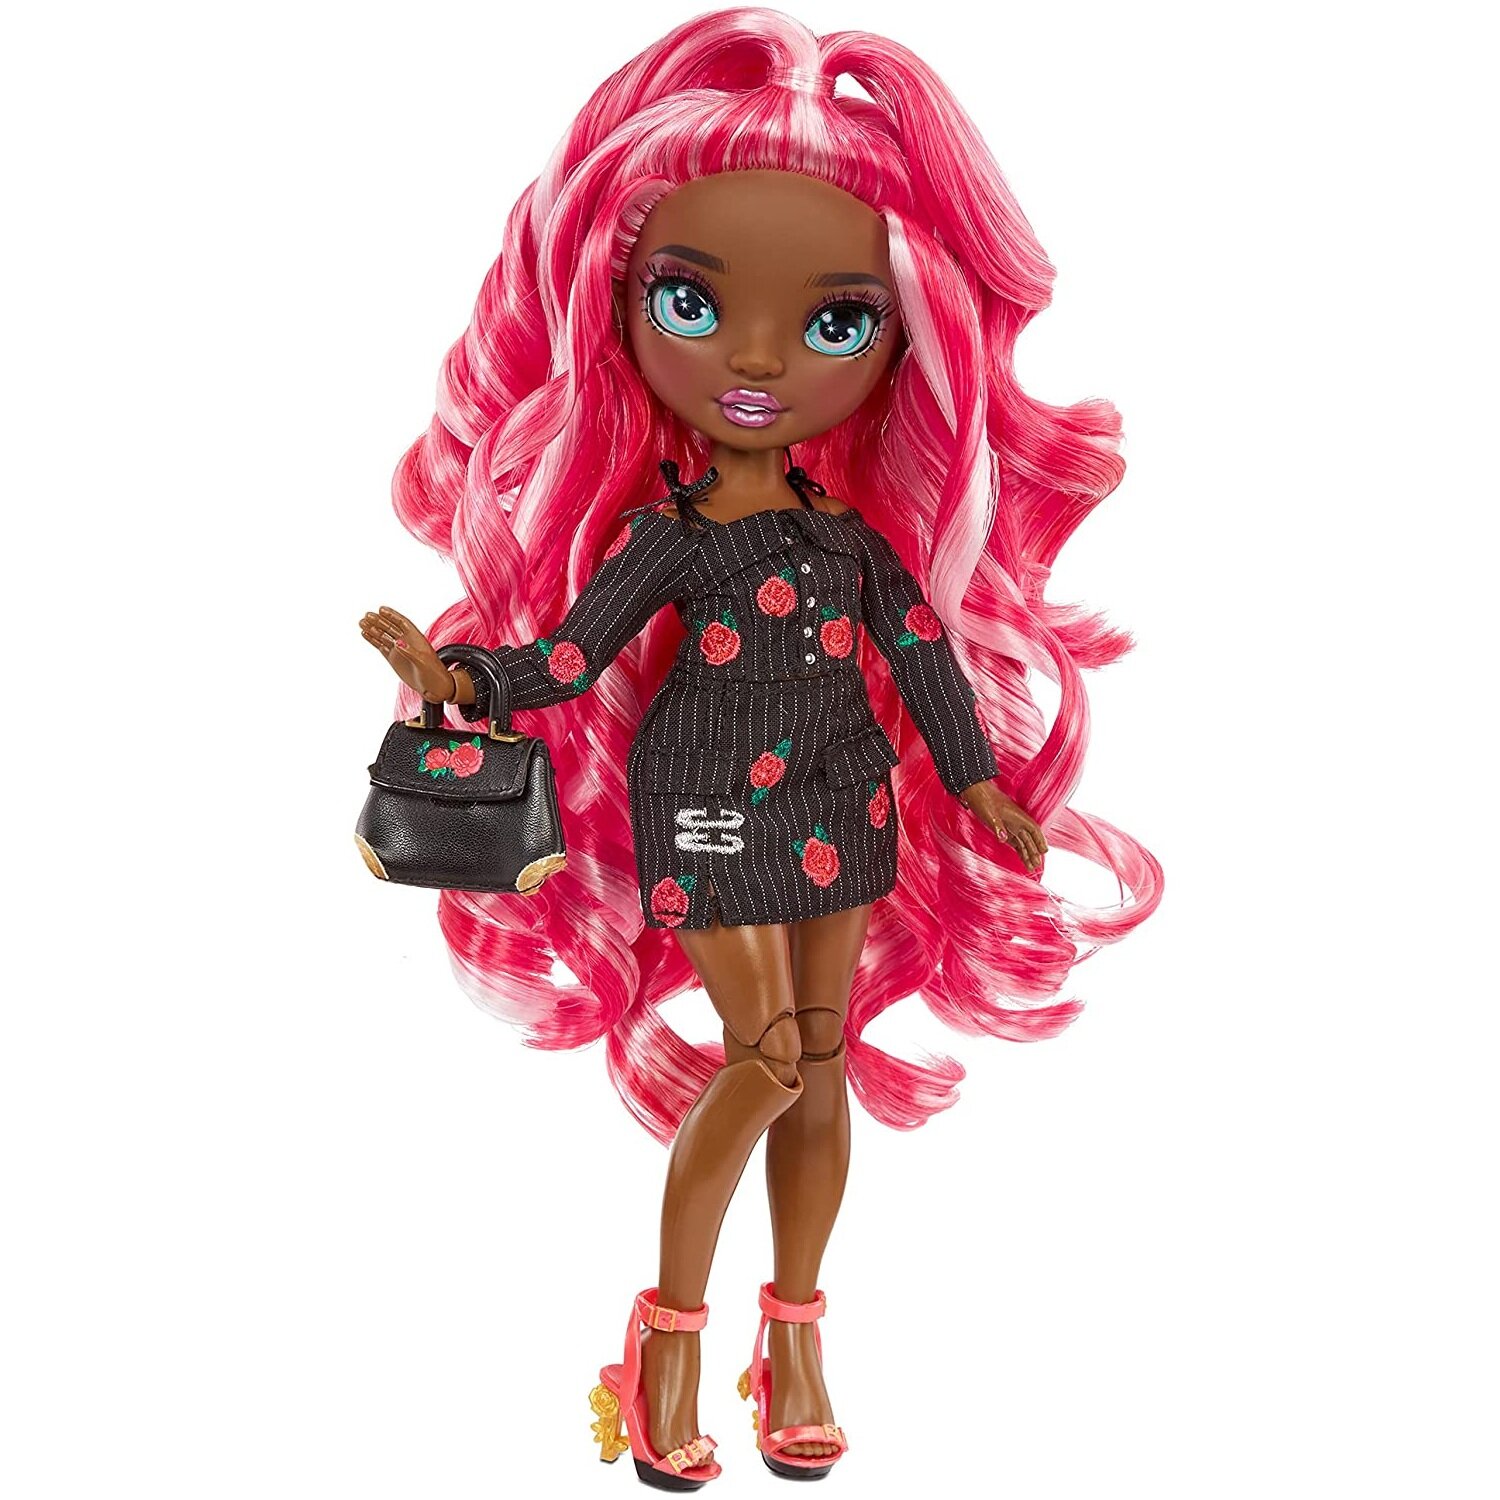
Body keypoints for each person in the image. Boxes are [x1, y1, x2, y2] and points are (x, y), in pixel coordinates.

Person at [357, 8, 1162, 1487]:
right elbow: (569, 659)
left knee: (825, 1061)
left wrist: (978, 780)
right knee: (770, 1058)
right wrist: (457, 673)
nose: (756, 359)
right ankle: (665, 1337)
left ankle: (794, 1342)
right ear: (614, 308)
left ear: (910, 339)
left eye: (836, 323)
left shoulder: (851, 538)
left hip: (846, 800)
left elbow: (920, 654)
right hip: (707, 806)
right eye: (691, 302)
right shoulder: (662, 538)